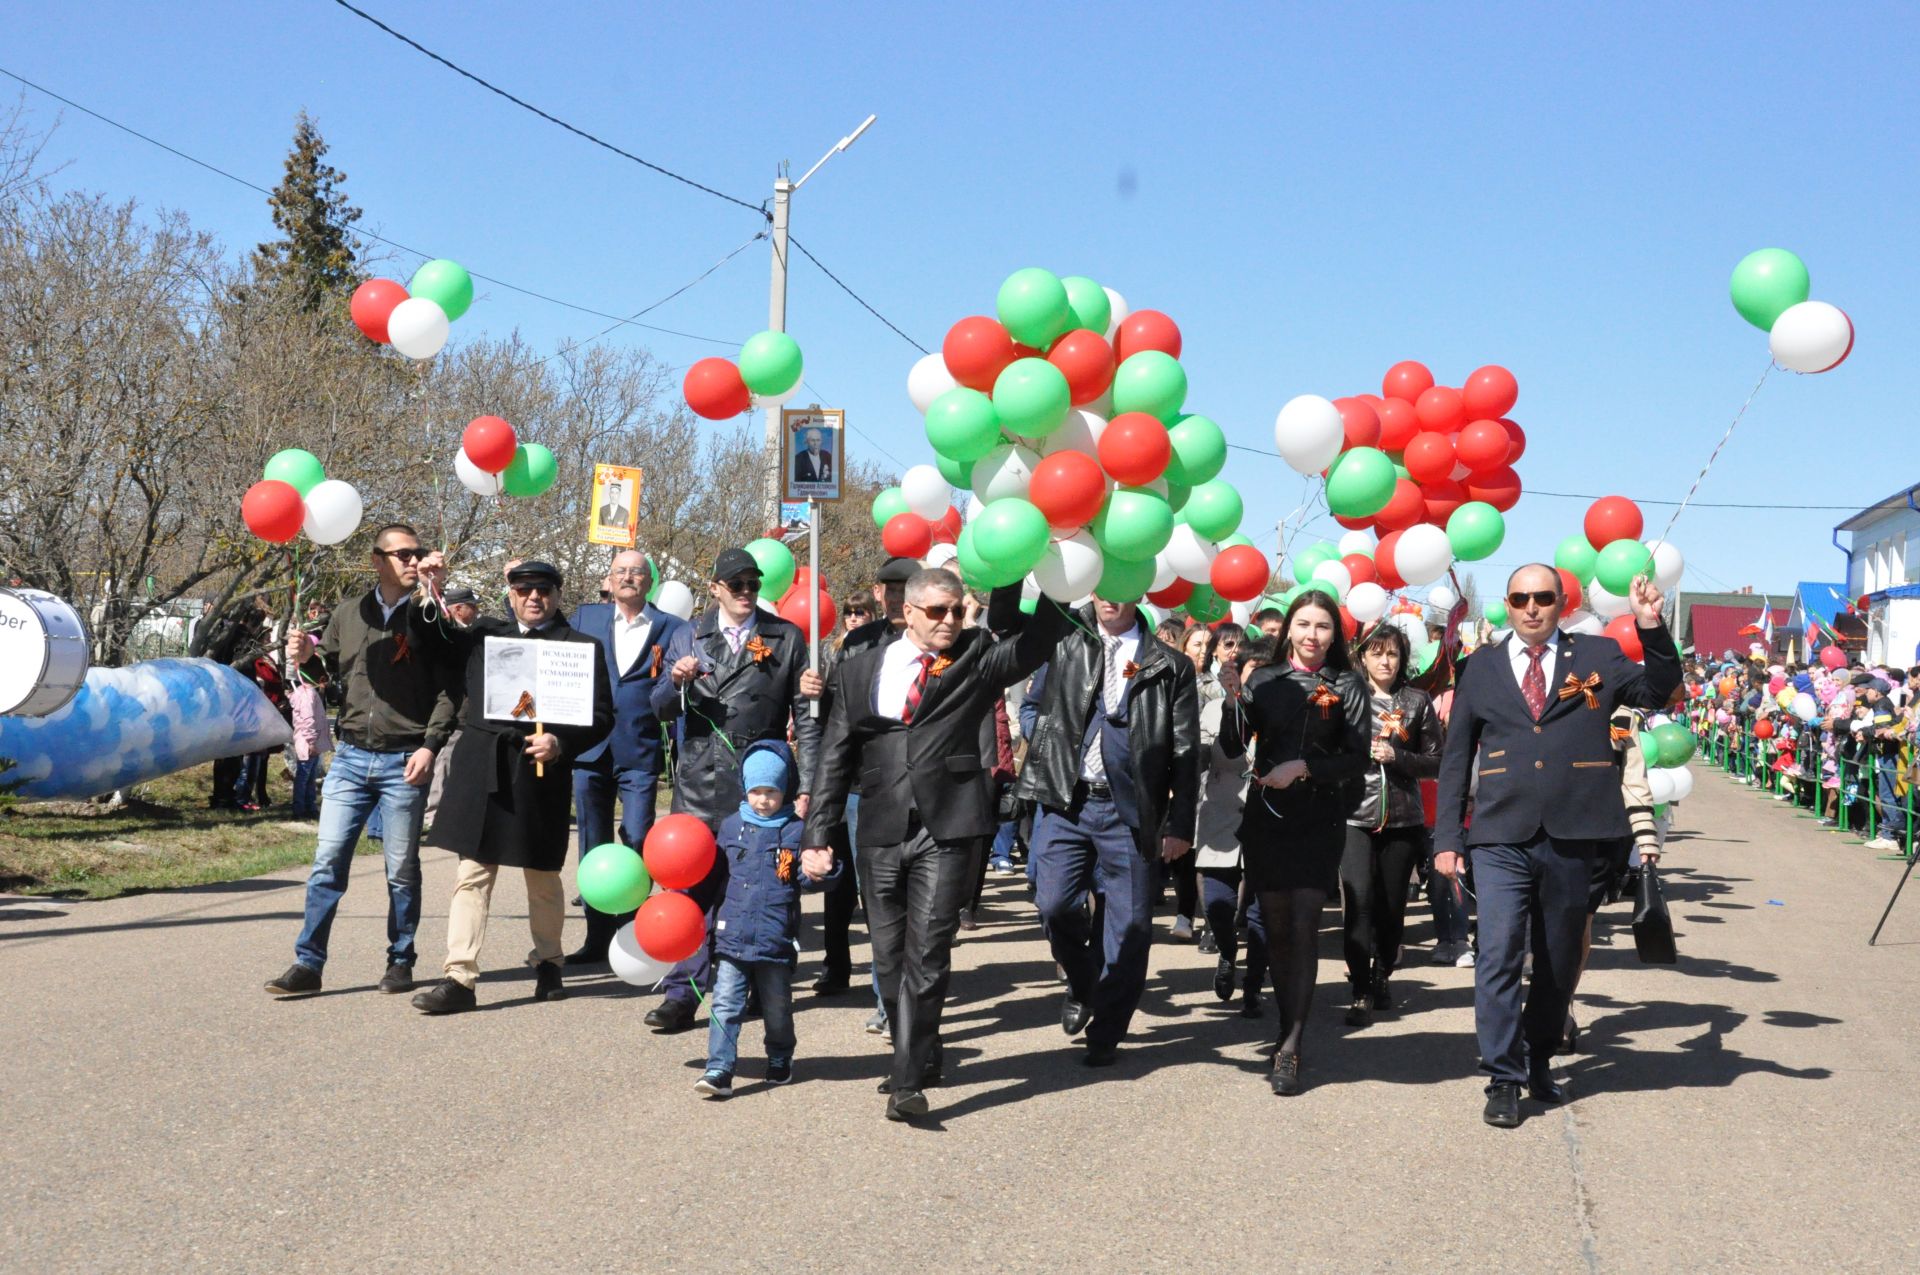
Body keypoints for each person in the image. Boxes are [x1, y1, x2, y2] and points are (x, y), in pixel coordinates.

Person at [803, 568, 1066, 1121]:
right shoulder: (857, 670)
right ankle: (921, 1048)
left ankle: (904, 1081)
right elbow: (833, 757)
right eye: (937, 612)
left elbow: (1038, 642)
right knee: (889, 957)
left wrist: (1040, 570)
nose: (949, 621)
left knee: (928, 954)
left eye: (955, 610)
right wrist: (818, 836)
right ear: (909, 612)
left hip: (949, 827)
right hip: (878, 826)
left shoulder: (975, 657)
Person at [1432, 564, 1679, 1128]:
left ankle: (1538, 1054)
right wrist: (1447, 837)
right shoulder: (1481, 668)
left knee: (1558, 957)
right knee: (1496, 951)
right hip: (1499, 833)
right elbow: (1455, 759)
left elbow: (1658, 691)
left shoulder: (1596, 657)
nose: (1532, 607)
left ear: (1562, 602)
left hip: (1574, 833)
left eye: (1543, 597)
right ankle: (1502, 1075)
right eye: (1520, 598)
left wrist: (1650, 627)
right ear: (1509, 604)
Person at [410, 559, 615, 1013]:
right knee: (472, 874)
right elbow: (431, 640)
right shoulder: (483, 635)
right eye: (524, 590)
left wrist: (560, 742)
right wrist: (429, 588)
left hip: (540, 775)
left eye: (543, 590)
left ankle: (549, 966)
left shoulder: (581, 647)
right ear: (511, 595)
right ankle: (459, 978)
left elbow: (602, 717)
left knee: (542, 877)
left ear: (558, 595)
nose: (534, 598)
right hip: (483, 769)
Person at [264, 525, 459, 998]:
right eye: (402, 554)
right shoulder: (349, 614)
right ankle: (308, 963)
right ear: (376, 560)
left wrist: (430, 746)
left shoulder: (429, 613)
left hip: (405, 759)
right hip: (350, 758)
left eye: (417, 553)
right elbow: (323, 674)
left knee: (401, 868)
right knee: (328, 861)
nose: (412, 561)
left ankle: (400, 958)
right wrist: (306, 655)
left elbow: (451, 690)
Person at [1018, 595, 1200, 1068]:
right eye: (1100, 586)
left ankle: (1108, 1030)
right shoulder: (1067, 640)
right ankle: (1082, 983)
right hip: (1067, 801)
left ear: (1139, 588)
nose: (1108, 598)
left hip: (1132, 812)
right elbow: (1031, 708)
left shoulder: (1169, 664)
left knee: (1134, 926)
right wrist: (1050, 741)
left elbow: (1185, 749)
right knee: (1053, 903)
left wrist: (1179, 824)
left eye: (1120, 586)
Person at [647, 547, 821, 1032]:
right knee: (691, 892)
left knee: (761, 892)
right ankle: (683, 993)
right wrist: (675, 683)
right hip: (700, 783)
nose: (746, 592)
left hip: (761, 785)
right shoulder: (688, 634)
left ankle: (755, 988)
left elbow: (805, 717)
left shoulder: (784, 636)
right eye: (736, 584)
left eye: (752, 584)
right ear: (716, 588)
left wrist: (807, 784)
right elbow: (658, 708)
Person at [1217, 592, 1369, 1095]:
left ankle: (1292, 1043)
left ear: (1334, 634)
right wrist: (1234, 695)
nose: (1311, 635)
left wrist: (1303, 768)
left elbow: (1357, 758)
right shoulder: (1265, 679)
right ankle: (1287, 1020)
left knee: (1303, 927)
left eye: (1322, 626)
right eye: (1303, 624)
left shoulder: (1347, 683)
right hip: (1269, 818)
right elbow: (1237, 744)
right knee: (1276, 929)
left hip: (1319, 819)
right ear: (1289, 632)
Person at [693, 743, 839, 1098]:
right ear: (745, 788)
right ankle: (719, 1068)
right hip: (732, 936)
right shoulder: (730, 828)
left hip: (775, 937)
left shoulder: (794, 831)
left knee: (777, 1008)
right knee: (726, 1003)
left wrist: (826, 870)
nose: (762, 800)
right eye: (756, 791)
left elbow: (802, 878)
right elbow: (712, 876)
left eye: (771, 791)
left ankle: (779, 1055)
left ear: (784, 790)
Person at [809, 557, 915, 1035]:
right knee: (864, 894)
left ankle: (896, 999)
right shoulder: (855, 644)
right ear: (877, 593)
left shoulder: (932, 640)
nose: (895, 597)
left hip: (911, 782)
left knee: (896, 898)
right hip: (857, 786)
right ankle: (873, 991)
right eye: (889, 588)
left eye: (905, 588)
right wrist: (814, 689)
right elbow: (834, 722)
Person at [566, 549, 683, 963]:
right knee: (592, 847)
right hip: (589, 751)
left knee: (636, 840)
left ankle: (632, 932)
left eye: (637, 572)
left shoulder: (674, 628)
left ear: (650, 582)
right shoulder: (584, 619)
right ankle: (596, 938)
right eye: (621, 571)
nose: (629, 577)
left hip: (640, 750)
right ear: (609, 579)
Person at [1339, 622, 1443, 1028]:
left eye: (1393, 653)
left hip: (1402, 819)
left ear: (1402, 659)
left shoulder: (1417, 701)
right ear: (1363, 656)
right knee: (1358, 903)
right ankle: (1360, 989)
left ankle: (1383, 972)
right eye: (1377, 652)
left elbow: (1437, 761)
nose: (1385, 660)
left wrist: (1396, 757)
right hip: (1353, 816)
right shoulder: (1347, 697)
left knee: (1391, 908)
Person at [1195, 640, 1272, 1017]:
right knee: (1217, 903)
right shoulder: (1213, 709)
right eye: (1249, 671)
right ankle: (1227, 952)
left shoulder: (1282, 712)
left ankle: (1254, 986)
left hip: (1268, 822)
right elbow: (1202, 756)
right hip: (1221, 817)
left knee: (1260, 914)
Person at [288, 667, 332, 820]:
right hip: (308, 743)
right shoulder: (307, 695)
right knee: (304, 776)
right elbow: (308, 720)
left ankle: (310, 806)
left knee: (309, 776)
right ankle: (299, 808)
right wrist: (312, 742)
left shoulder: (308, 693)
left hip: (310, 741)